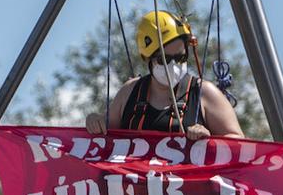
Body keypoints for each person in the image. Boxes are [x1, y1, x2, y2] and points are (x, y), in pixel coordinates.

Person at [90, 10, 243, 139]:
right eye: (164, 60)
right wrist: (95, 121)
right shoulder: (130, 91)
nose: (174, 66)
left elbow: (238, 142)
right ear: (147, 59)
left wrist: (208, 139)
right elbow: (105, 133)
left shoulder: (204, 92)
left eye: (180, 58)